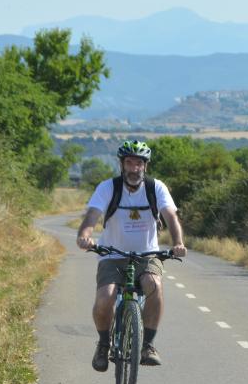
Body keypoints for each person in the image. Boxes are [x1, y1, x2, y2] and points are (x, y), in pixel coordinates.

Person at [76, 140, 187, 371]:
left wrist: (178, 243)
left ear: (145, 166)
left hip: (147, 255)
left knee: (154, 286)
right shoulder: (108, 188)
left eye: (139, 163)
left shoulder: (156, 188)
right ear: (121, 164)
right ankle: (104, 345)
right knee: (105, 297)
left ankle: (147, 345)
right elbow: (92, 216)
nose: (134, 168)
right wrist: (85, 236)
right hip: (112, 255)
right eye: (129, 163)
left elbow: (171, 217)